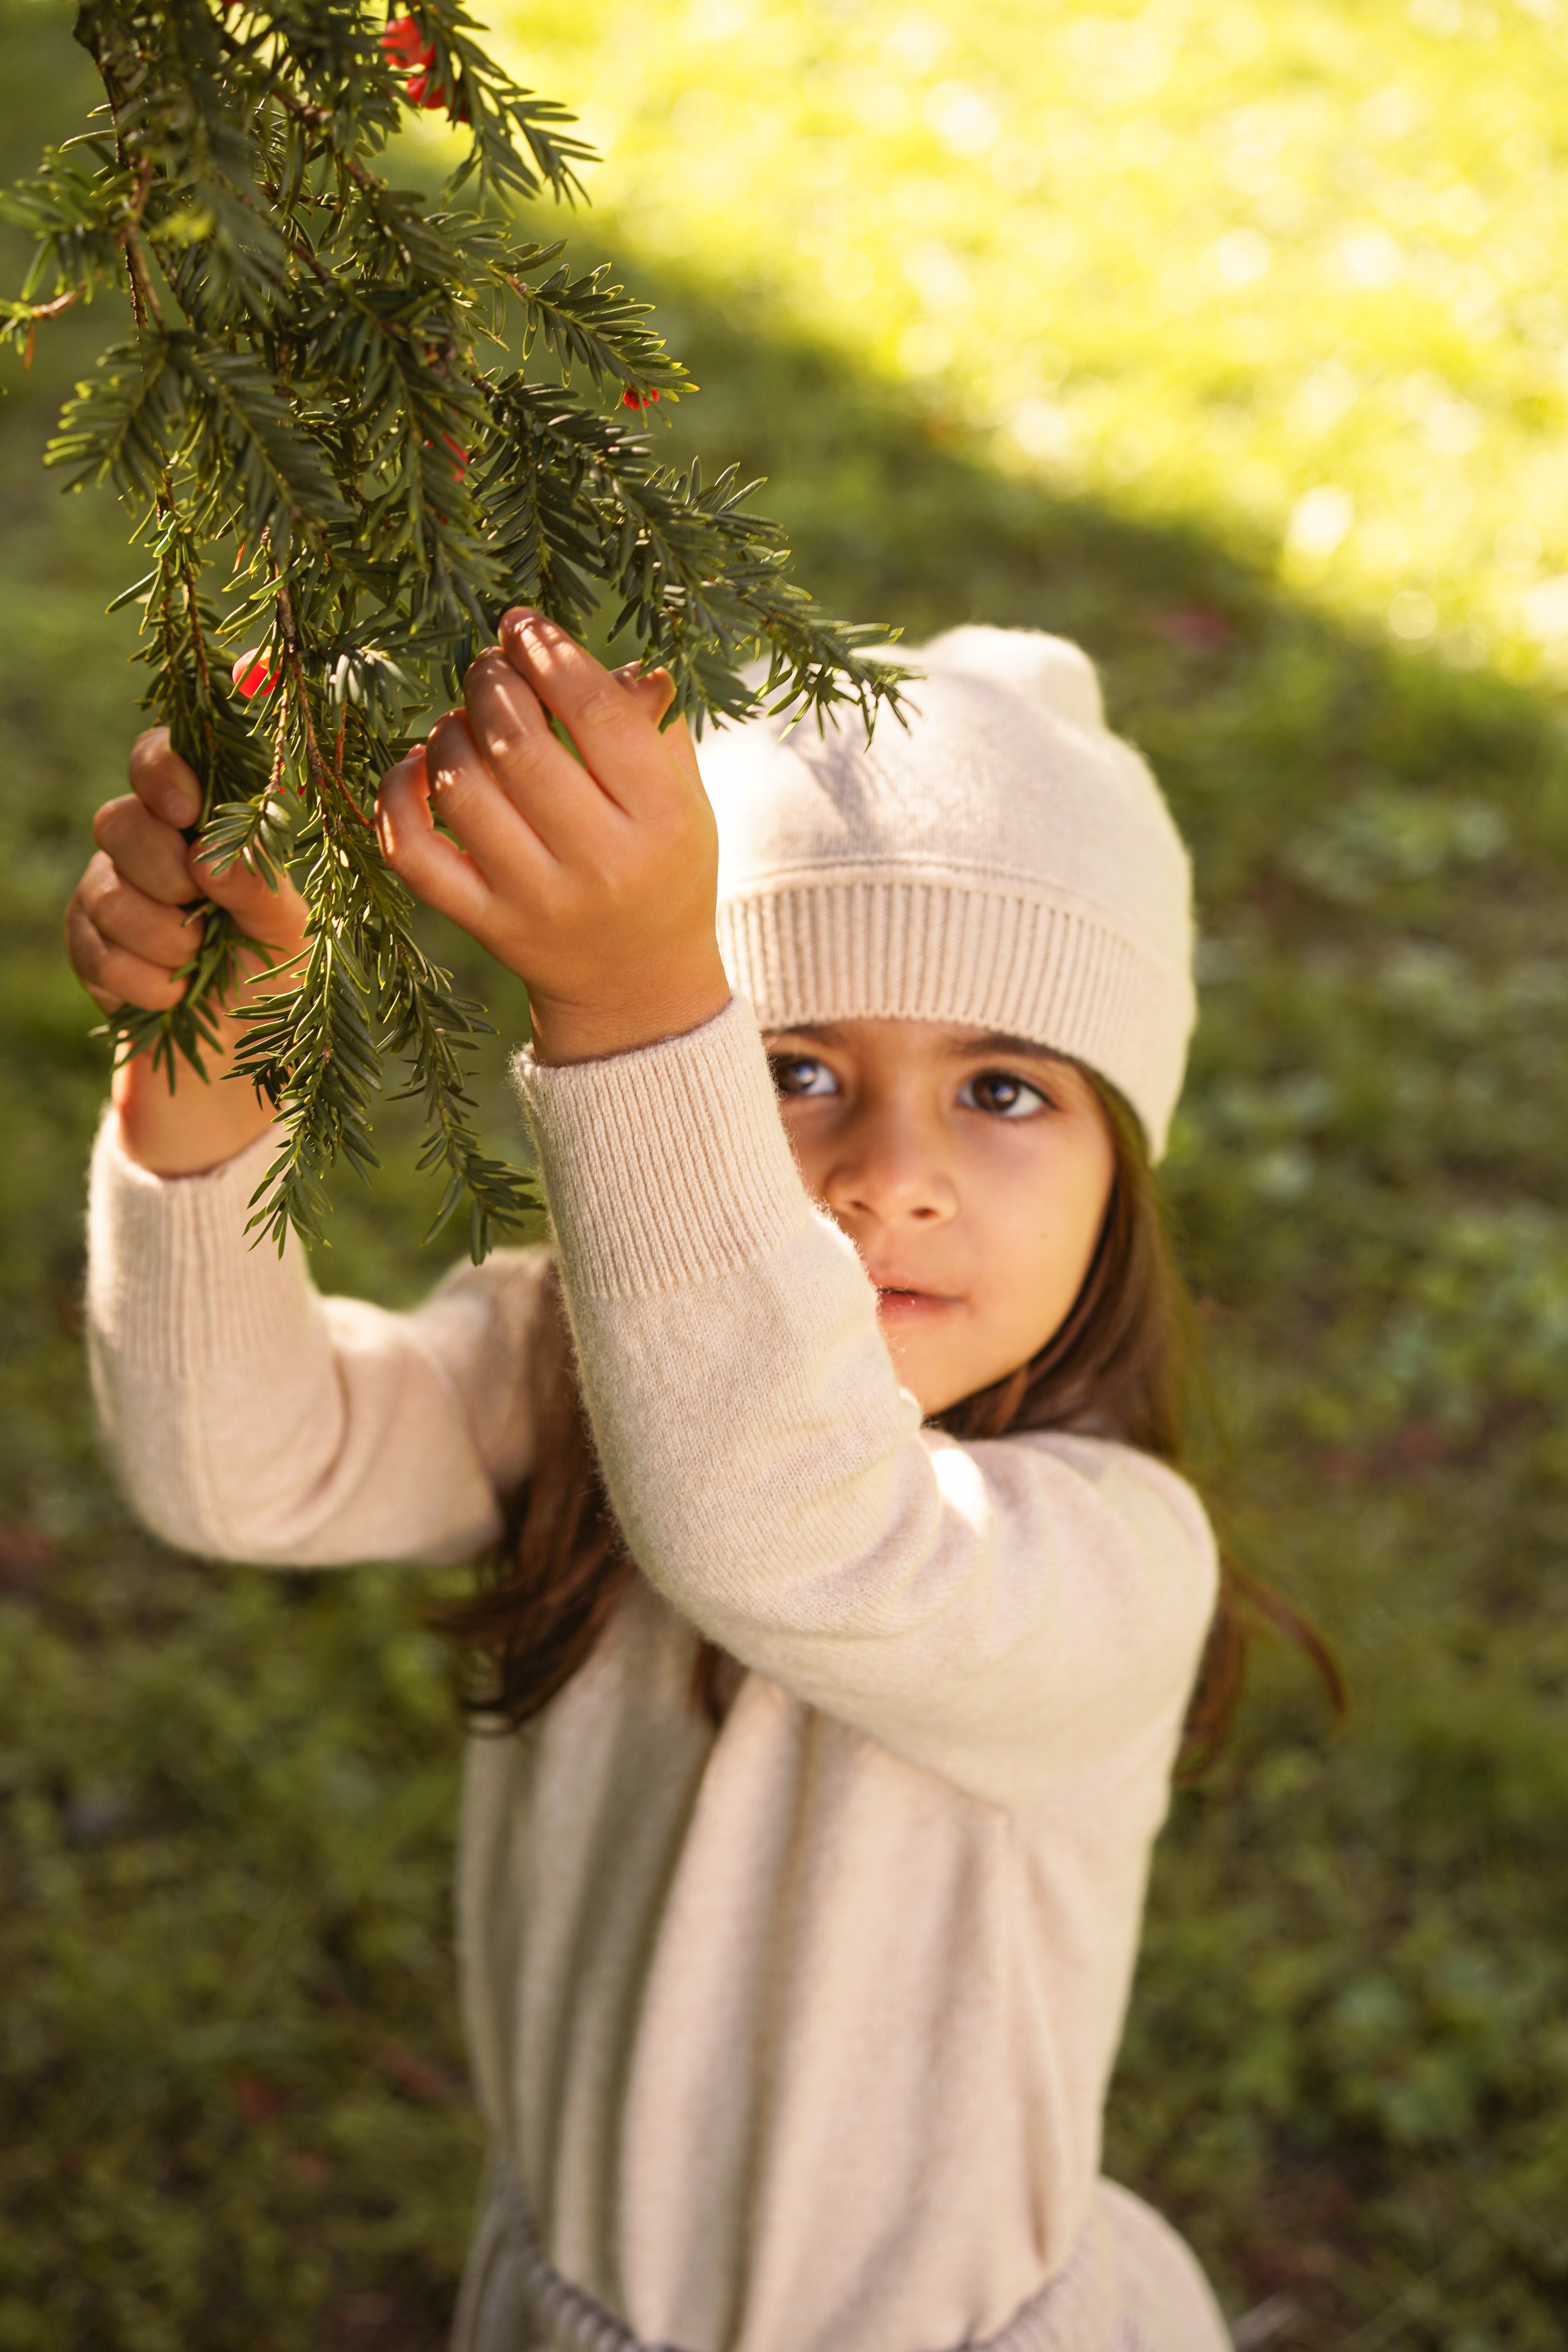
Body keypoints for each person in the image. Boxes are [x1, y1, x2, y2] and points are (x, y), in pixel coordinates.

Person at [71, 612, 1255, 2352]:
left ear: (1121, 1181)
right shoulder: (575, 1361)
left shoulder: (1108, 1563)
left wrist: (634, 997)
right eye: (792, 1071)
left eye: (1004, 1089)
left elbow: (790, 1524)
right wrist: (200, 1082)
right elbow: (245, 1469)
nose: (890, 1177)